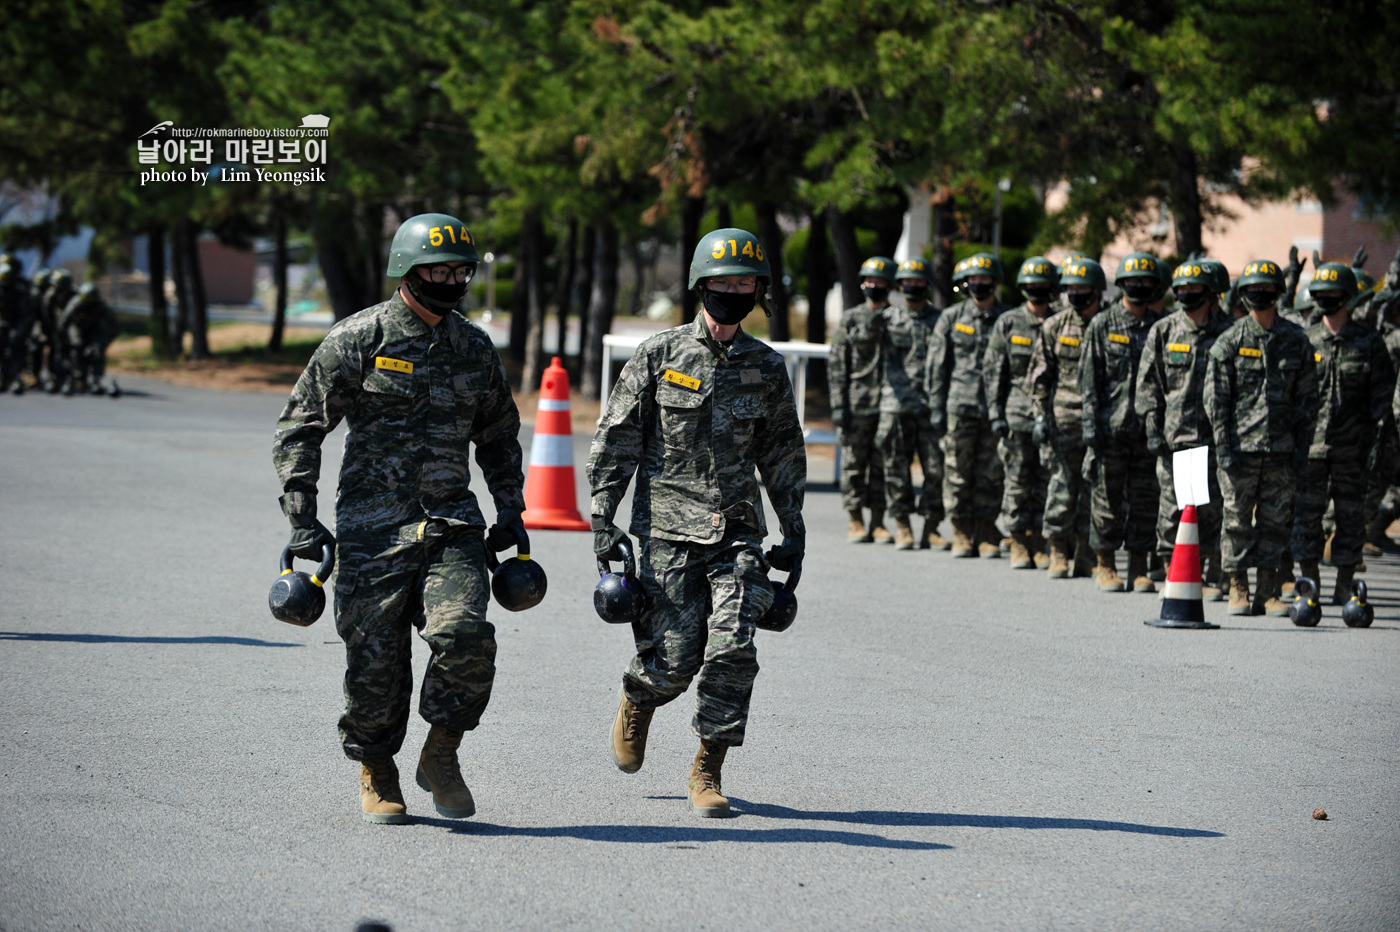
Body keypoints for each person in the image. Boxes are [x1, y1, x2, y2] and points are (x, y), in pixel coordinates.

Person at [272, 212, 526, 824]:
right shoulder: (358, 340)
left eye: (460, 270)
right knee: (375, 665)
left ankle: (441, 753)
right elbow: (300, 428)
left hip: (452, 526)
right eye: (437, 269)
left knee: (466, 638)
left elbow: (498, 436)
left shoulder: (473, 346)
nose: (450, 279)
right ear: (407, 271)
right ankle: (376, 766)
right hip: (371, 531)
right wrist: (302, 518)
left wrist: (511, 510)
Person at [589, 227, 806, 819]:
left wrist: (793, 527)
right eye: (722, 283)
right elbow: (617, 439)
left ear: (757, 291)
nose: (732, 292)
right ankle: (640, 696)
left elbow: (783, 451)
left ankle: (708, 766)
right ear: (700, 286)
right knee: (676, 660)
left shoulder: (766, 366)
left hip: (738, 533)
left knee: (733, 644)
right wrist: (602, 516)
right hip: (667, 533)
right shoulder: (659, 355)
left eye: (743, 284)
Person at [1204, 259, 1319, 616]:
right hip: (1239, 451)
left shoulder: (1296, 341)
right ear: (1243, 295)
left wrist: (1302, 447)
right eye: (1254, 289)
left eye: (1268, 289)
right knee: (1236, 521)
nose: (1261, 294)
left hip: (1282, 451)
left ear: (1278, 293)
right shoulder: (1229, 342)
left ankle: (1266, 592)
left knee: (1274, 523)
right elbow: (1216, 401)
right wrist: (1223, 447)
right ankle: (1238, 587)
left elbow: (1308, 400)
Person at [1289, 263, 1393, 605]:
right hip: (1311, 450)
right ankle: (1309, 583)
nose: (1326, 300)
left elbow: (1382, 397)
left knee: (1350, 519)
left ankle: (1344, 584)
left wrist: (1379, 444)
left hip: (1353, 450)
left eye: (1332, 294)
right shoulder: (1304, 340)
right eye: (1320, 295)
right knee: (1307, 518)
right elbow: (1290, 395)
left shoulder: (1369, 342)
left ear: (1347, 297)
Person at [1137, 260, 1235, 601]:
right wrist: (1152, 426)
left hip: (1217, 439)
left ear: (1211, 293)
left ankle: (1212, 573)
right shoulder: (1164, 330)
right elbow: (1149, 385)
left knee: (1214, 509)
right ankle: (1171, 571)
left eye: (1194, 289)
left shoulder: (1230, 331)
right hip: (1175, 439)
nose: (1186, 294)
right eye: (1181, 290)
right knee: (1173, 509)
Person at [1080, 253, 1164, 593]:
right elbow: (1089, 381)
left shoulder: (1161, 327)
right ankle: (1106, 564)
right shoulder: (1103, 325)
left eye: (1146, 282)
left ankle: (1139, 566)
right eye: (1133, 282)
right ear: (1122, 284)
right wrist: (1090, 428)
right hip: (1109, 431)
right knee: (1107, 502)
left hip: (1147, 433)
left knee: (1145, 502)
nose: (1139, 287)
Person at [1028, 257, 1106, 579]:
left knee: (1095, 492)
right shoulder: (1055, 326)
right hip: (1064, 420)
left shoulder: (1109, 325)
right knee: (1062, 487)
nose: (1075, 294)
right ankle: (1058, 550)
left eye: (1082, 288)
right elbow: (1039, 377)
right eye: (1070, 288)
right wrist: (1040, 417)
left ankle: (1086, 554)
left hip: (1102, 423)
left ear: (1097, 290)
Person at [926, 253, 1008, 557]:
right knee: (958, 471)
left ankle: (985, 530)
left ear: (995, 282)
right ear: (965, 283)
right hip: (959, 407)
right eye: (974, 279)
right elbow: (937, 366)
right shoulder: (952, 318)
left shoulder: (1006, 318)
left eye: (985, 279)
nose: (979, 284)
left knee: (991, 473)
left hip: (994, 408)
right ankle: (961, 531)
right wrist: (936, 405)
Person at [984, 256, 1058, 569]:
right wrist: (995, 413)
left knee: (1045, 482)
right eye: (1030, 285)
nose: (1036, 290)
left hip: (1051, 417)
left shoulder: (1059, 322)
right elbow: (993, 371)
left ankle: (1039, 540)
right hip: (1016, 415)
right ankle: (1017, 541)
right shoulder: (1009, 322)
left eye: (1042, 285)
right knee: (1016, 481)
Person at [879, 256, 948, 550]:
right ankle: (903, 525)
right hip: (896, 405)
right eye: (907, 281)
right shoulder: (886, 319)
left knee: (936, 468)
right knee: (896, 467)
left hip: (931, 405)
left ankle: (931, 527)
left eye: (918, 281)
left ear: (928, 284)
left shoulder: (941, 320)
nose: (912, 286)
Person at [830, 257, 894, 543]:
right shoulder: (851, 318)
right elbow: (837, 365)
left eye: (879, 282)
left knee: (883, 465)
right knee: (854, 464)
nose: (873, 286)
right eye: (869, 281)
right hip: (857, 404)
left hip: (889, 405)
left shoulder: (897, 318)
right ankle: (855, 519)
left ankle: (879, 521)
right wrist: (839, 406)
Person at [59, 283, 119, 395]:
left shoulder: (101, 306)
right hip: (77, 328)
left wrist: (105, 343)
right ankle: (79, 377)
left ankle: (97, 379)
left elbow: (113, 326)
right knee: (77, 347)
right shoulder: (76, 303)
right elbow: (64, 320)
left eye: (90, 298)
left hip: (93, 330)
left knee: (97, 351)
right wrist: (64, 338)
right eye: (85, 298)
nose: (87, 301)